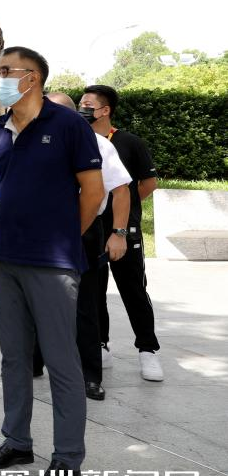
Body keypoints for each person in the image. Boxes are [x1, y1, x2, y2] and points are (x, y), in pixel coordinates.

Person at [0, 47, 103, 476]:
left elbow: (93, 190)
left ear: (34, 78)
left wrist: (65, 235)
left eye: (7, 71)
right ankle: (17, 441)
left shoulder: (68, 125)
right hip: (5, 257)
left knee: (61, 360)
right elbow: (1, 183)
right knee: (14, 357)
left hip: (52, 262)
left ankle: (67, 456)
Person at [31, 92, 132, 401]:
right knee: (37, 297)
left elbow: (121, 191)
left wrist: (118, 233)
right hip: (41, 230)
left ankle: (90, 376)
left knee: (85, 304)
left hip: (85, 229)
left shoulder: (99, 145)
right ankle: (33, 361)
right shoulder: (34, 142)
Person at [82, 84, 163, 382]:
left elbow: (148, 183)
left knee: (133, 289)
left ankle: (148, 349)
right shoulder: (78, 141)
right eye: (80, 104)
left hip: (124, 230)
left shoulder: (129, 142)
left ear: (105, 110)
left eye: (88, 105)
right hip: (92, 230)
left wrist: (124, 210)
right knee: (94, 292)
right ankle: (101, 344)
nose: (82, 110)